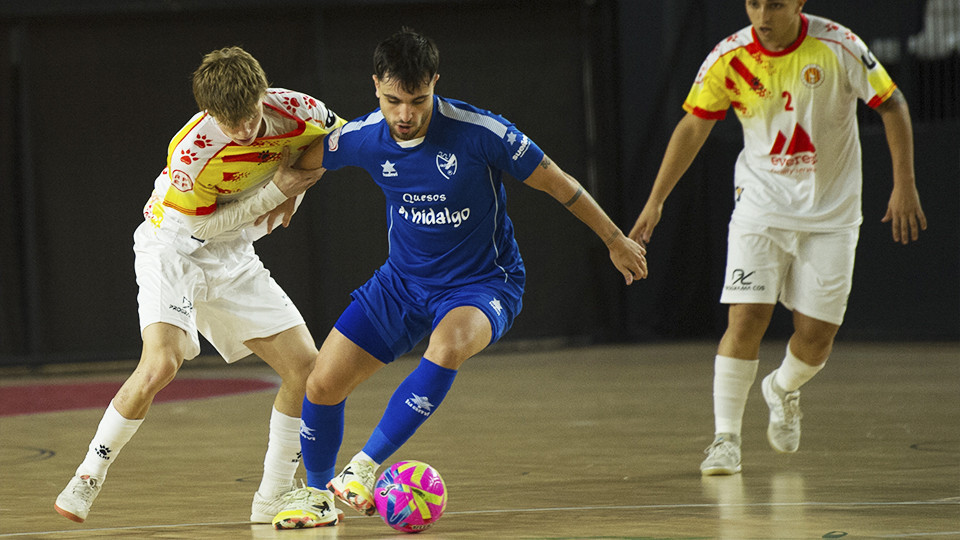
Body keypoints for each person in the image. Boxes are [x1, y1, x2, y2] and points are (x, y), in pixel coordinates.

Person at [266, 27, 648, 529]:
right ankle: (317, 497)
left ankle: (362, 468)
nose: (405, 115)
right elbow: (302, 159)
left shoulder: (480, 132)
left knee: (446, 347)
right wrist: (288, 191)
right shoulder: (363, 137)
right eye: (393, 101)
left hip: (484, 283)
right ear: (375, 86)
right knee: (321, 383)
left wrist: (615, 238)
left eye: (418, 101)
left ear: (435, 84)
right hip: (401, 284)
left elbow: (560, 182)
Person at [629, 0, 927, 476]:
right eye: (754, 4)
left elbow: (892, 103)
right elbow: (694, 125)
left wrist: (904, 184)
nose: (763, 15)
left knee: (816, 339)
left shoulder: (839, 45)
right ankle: (725, 438)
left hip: (832, 214)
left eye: (776, 4)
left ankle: (783, 388)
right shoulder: (730, 57)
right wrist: (656, 199)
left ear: (799, 3)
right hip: (760, 208)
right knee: (745, 319)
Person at [53, 46, 346, 523]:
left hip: (234, 253)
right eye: (229, 124)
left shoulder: (300, 110)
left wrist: (304, 183)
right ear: (209, 113)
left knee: (307, 370)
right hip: (174, 245)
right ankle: (88, 474)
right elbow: (200, 230)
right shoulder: (192, 152)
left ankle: (272, 495)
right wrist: (279, 190)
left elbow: (340, 142)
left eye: (250, 118)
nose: (243, 132)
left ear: (262, 95)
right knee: (161, 365)